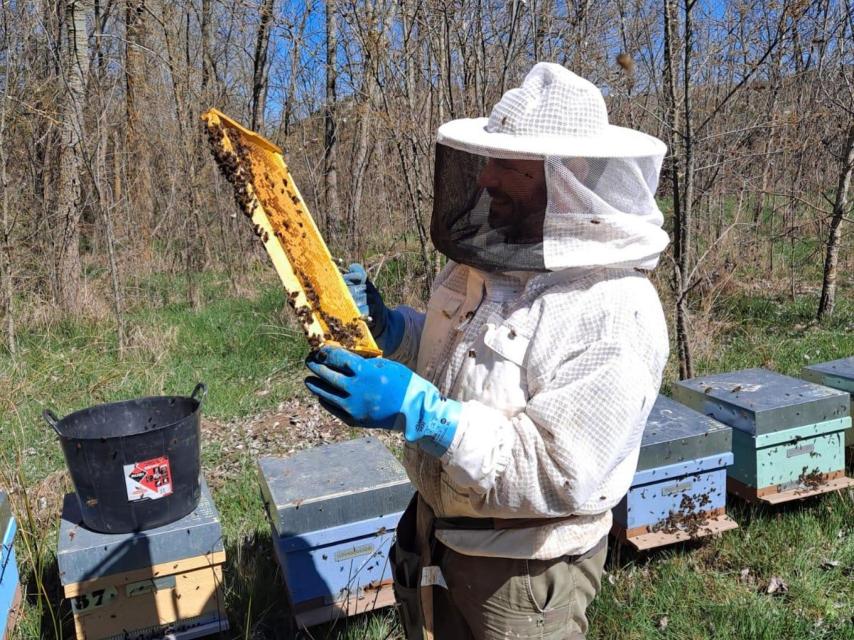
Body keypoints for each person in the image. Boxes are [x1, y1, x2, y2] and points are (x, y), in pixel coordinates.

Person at [304, 62, 670, 639]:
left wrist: (424, 416)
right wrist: (393, 329)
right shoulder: (490, 257)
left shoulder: (614, 308)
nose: (486, 180)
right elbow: (466, 357)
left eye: (510, 166)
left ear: (568, 174)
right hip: (438, 530)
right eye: (489, 159)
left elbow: (559, 471)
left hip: (524, 569)